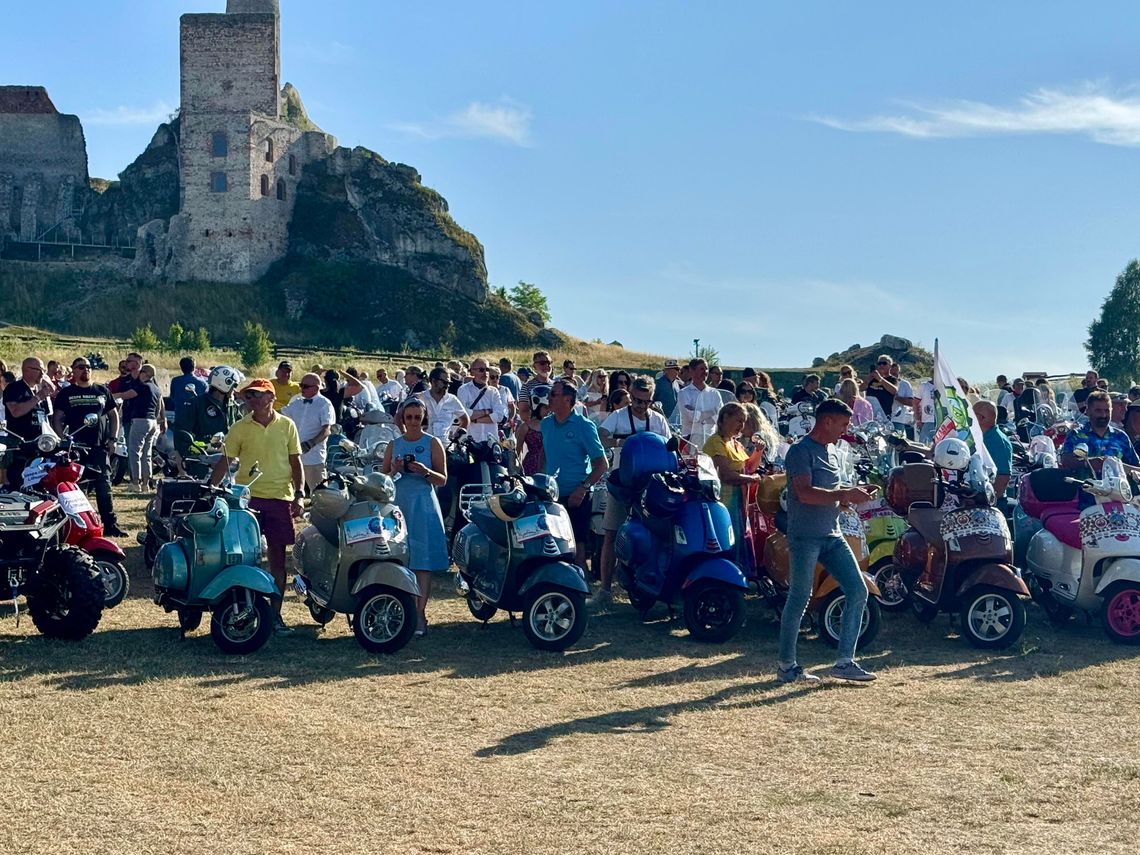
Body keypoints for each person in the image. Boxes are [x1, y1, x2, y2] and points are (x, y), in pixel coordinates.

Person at [778, 398, 879, 683]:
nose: (846, 430)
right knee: (799, 598)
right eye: (844, 424)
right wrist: (845, 495)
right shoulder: (800, 451)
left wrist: (851, 494)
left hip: (832, 534)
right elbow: (806, 494)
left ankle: (845, 661)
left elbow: (831, 493)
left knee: (858, 591)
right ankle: (787, 666)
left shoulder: (832, 451)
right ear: (827, 421)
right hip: (805, 536)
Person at [210, 378, 303, 633]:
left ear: (270, 398)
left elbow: (296, 463)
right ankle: (246, 611)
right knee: (244, 558)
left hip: (280, 499)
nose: (250, 399)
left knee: (277, 560)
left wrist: (299, 494)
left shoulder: (287, 425)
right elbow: (225, 461)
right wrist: (209, 489)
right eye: (248, 396)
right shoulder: (240, 427)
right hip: (246, 500)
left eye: (256, 395)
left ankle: (274, 615)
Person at [593, 377, 670, 606]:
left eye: (645, 402)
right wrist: (621, 442)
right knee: (611, 533)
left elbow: (670, 445)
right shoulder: (618, 416)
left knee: (658, 535)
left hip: (650, 487)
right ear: (630, 395)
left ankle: (650, 585)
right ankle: (605, 590)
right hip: (622, 485)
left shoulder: (658, 420)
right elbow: (602, 436)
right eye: (636, 400)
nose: (640, 405)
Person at [382, 397, 449, 636]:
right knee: (401, 559)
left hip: (423, 504)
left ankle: (420, 614)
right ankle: (404, 610)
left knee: (423, 561)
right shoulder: (394, 444)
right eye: (408, 417)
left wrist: (426, 471)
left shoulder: (432, 443)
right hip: (400, 504)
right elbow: (382, 481)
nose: (412, 422)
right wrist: (394, 470)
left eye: (417, 418)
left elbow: (443, 479)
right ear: (402, 419)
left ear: (423, 419)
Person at [52, 356, 126, 536]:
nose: (85, 370)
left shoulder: (102, 390)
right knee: (76, 488)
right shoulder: (66, 393)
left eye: (88, 367)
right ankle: (79, 526)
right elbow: (57, 419)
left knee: (104, 485)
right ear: (73, 371)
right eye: (80, 367)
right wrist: (64, 440)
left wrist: (113, 438)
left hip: (98, 447)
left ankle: (110, 524)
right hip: (75, 448)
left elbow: (113, 415)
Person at [542, 378, 608, 567]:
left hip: (575, 495)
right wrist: (539, 479)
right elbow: (544, 454)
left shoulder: (584, 425)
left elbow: (601, 464)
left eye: (554, 394)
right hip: (550, 495)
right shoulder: (546, 424)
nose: (549, 398)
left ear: (568, 399)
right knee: (552, 544)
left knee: (577, 545)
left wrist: (583, 488)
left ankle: (580, 588)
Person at [703, 402, 765, 577]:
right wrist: (752, 479)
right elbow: (726, 475)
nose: (741, 425)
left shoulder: (735, 444)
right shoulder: (716, 442)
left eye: (743, 421)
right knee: (727, 536)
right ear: (724, 419)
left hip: (739, 501)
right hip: (723, 499)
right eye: (738, 420)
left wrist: (758, 452)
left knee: (739, 536)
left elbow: (749, 467)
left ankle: (739, 573)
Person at [3, 357, 57, 487]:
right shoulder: (14, 388)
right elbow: (15, 411)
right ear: (27, 370)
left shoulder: (39, 390)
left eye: (43, 370)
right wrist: (38, 397)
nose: (42, 374)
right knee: (19, 483)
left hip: (40, 445)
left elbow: (46, 416)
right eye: (39, 370)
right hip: (20, 446)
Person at [1060, 390, 1140, 475]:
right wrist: (1088, 463)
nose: (1103, 415)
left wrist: (1117, 466)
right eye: (1098, 411)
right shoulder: (1076, 435)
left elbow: (1137, 466)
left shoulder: (1121, 436)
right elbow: (1065, 460)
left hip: (1116, 487)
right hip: (1084, 486)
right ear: (1088, 411)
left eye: (1107, 411)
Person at [175, 365, 243, 463]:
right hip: (203, 457)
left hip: (229, 456)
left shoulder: (233, 406)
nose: (234, 390)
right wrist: (192, 448)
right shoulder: (196, 404)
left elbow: (241, 426)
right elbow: (182, 431)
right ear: (224, 384)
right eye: (234, 385)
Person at [281, 373, 336, 494]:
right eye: (301, 385)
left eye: (306, 386)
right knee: (288, 490)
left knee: (319, 493)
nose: (302, 389)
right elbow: (280, 415)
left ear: (316, 388)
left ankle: (320, 513)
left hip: (314, 457)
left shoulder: (324, 404)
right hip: (293, 456)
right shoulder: (297, 402)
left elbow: (327, 430)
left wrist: (310, 444)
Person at [118, 363, 166, 491]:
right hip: (152, 422)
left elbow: (126, 395)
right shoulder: (156, 389)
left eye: (140, 372)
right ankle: (146, 483)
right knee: (147, 453)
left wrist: (111, 395)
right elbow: (159, 408)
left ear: (145, 374)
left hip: (140, 420)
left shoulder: (142, 387)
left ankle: (135, 482)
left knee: (134, 452)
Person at [456, 357, 506, 444]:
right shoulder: (463, 390)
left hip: (490, 441)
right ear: (472, 372)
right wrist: (486, 412)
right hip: (470, 440)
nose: (485, 373)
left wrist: (474, 420)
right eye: (481, 370)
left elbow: (499, 415)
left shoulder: (493, 391)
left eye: (487, 369)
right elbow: (463, 414)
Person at [973, 401, 1013, 507]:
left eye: (972, 414)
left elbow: (1003, 478)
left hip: (991, 505)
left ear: (982, 418)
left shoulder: (997, 441)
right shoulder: (980, 437)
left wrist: (987, 501)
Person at [676, 358, 723, 447]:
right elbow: (691, 417)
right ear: (692, 371)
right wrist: (711, 413)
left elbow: (720, 417)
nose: (705, 371)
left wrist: (699, 414)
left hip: (710, 440)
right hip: (690, 441)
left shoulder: (715, 393)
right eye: (701, 369)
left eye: (706, 368)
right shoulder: (684, 393)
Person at [419, 366, 469, 440]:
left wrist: (456, 437)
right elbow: (399, 417)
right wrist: (405, 434)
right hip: (424, 445)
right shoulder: (420, 397)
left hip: (446, 446)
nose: (447, 385)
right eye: (444, 382)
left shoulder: (452, 399)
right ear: (433, 381)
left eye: (449, 383)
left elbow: (465, 419)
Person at [514, 384, 550, 475]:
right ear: (537, 406)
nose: (549, 411)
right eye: (546, 407)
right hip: (531, 466)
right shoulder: (525, 426)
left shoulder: (554, 424)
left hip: (550, 464)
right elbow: (518, 450)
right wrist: (516, 468)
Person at [170, 356, 207, 422]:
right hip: (196, 418)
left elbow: (172, 397)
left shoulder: (175, 381)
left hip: (180, 415)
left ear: (181, 368)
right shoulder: (202, 383)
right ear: (194, 367)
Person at [518, 351, 554, 419]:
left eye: (549, 363)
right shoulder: (527, 387)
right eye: (542, 363)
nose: (547, 366)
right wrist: (538, 412)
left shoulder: (557, 386)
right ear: (534, 366)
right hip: (535, 426)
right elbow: (523, 413)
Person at [863, 355, 900, 420]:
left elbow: (894, 391)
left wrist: (880, 378)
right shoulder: (872, 378)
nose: (881, 366)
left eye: (884, 363)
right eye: (879, 363)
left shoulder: (892, 379)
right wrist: (867, 380)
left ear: (890, 366)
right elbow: (860, 389)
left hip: (884, 415)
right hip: (869, 414)